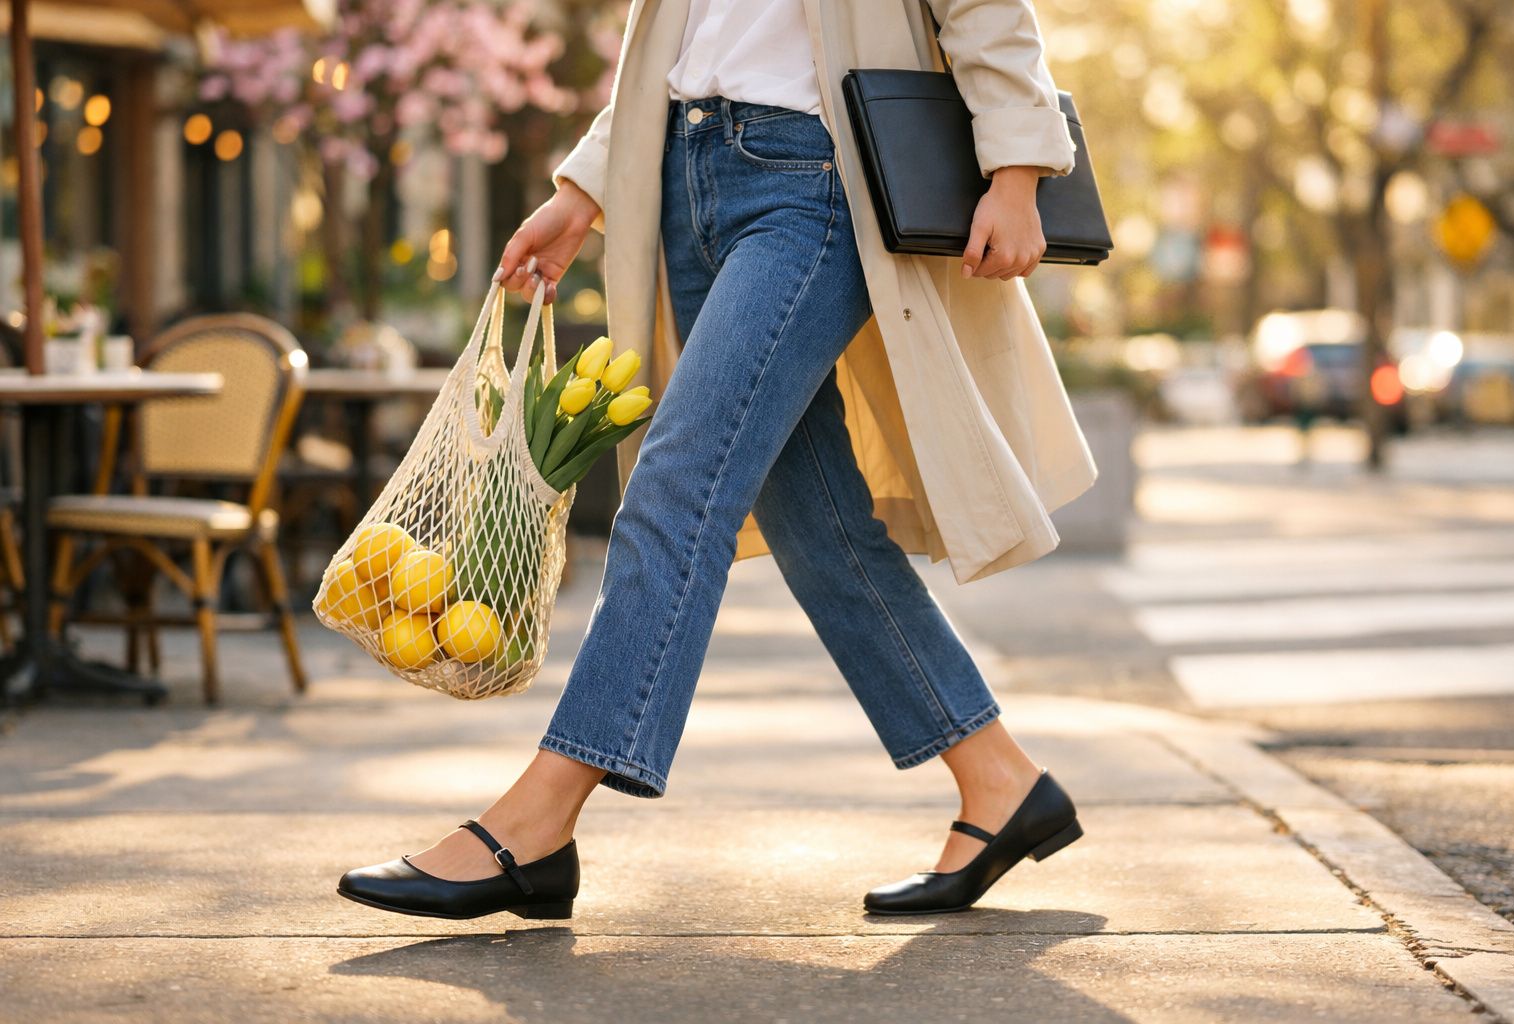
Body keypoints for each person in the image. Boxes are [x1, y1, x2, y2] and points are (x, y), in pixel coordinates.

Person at [339, 0, 1097, 921]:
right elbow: (686, 43)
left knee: (676, 487)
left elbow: (982, 8)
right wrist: (584, 190)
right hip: (684, 176)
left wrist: (1017, 170)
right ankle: (1001, 782)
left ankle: (538, 821)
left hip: (816, 180)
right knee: (817, 524)